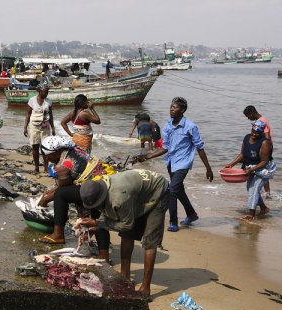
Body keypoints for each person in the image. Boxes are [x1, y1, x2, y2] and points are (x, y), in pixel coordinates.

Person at [77, 169, 170, 297]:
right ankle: (124, 277)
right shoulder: (100, 186)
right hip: (137, 192)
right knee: (127, 236)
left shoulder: (120, 197)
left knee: (150, 242)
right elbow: (109, 215)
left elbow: (126, 225)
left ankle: (145, 288)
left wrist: (97, 223)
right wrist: (95, 227)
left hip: (158, 191)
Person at [136, 97, 213, 232]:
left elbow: (199, 148)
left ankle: (173, 222)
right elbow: (165, 148)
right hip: (171, 162)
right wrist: (146, 156)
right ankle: (191, 214)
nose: (172, 109)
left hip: (183, 164)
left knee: (172, 191)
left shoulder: (190, 126)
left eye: (175, 107)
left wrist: (208, 168)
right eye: (171, 107)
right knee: (179, 190)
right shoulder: (168, 126)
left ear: (182, 110)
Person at [37, 135, 116, 247]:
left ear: (56, 151)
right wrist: (49, 192)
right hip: (105, 185)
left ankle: (58, 235)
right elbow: (66, 183)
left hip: (97, 191)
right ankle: (103, 253)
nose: (47, 159)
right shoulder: (74, 151)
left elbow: (63, 188)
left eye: (48, 156)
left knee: (61, 195)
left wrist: (45, 200)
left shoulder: (64, 165)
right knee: (97, 219)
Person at [225, 120, 275, 221]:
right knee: (250, 188)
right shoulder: (247, 137)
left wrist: (252, 169)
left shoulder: (265, 142)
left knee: (254, 189)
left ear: (261, 132)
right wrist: (231, 164)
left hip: (263, 169)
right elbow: (242, 154)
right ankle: (264, 208)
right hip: (251, 167)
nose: (254, 134)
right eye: (253, 131)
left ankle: (251, 214)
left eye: (257, 132)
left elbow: (265, 161)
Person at [24, 83, 55, 173]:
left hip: (45, 127)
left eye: (47, 92)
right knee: (35, 147)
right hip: (34, 126)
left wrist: (53, 127)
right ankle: (36, 167)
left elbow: (51, 115)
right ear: (39, 91)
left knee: (45, 147)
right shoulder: (32, 100)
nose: (46, 94)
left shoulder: (49, 102)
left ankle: (46, 167)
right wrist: (25, 127)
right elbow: (28, 114)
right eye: (45, 92)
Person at [243, 105, 273, 199]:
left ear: (252, 113)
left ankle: (267, 193)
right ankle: (264, 193)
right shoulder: (259, 120)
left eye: (248, 116)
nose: (248, 118)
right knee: (261, 171)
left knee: (263, 170)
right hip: (260, 148)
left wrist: (266, 148)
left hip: (263, 149)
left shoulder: (262, 121)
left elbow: (267, 136)